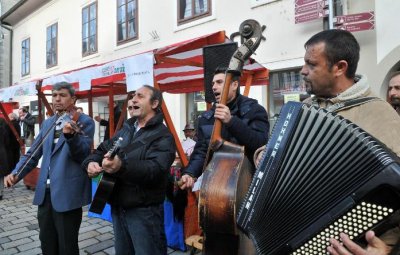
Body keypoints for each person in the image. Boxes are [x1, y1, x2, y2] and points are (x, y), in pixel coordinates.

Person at [260, 29, 400, 255]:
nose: (303, 71)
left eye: (312, 64)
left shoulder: (382, 117)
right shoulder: (303, 109)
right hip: (291, 232)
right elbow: (278, 150)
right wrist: (264, 155)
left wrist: (389, 249)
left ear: (340, 68)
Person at [4, 82, 95, 255]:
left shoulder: (84, 122)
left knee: (67, 245)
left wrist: (71, 136)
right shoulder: (48, 123)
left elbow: (83, 153)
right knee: (47, 243)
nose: (57, 99)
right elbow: (33, 153)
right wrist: (16, 173)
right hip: (45, 192)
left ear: (73, 99)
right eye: (54, 95)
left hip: (67, 192)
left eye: (62, 95)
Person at [83, 85, 176, 255]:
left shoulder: (164, 136)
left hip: (144, 212)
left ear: (154, 103)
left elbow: (155, 170)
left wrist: (121, 166)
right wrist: (91, 162)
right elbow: (103, 148)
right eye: (133, 96)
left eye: (140, 96)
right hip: (118, 207)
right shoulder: (127, 128)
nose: (133, 99)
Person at [179, 66, 270, 190]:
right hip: (217, 185)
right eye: (213, 83)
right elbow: (201, 151)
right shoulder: (206, 118)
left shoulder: (254, 110)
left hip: (249, 183)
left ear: (234, 85)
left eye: (219, 82)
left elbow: (261, 142)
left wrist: (231, 122)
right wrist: (190, 173)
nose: (214, 87)